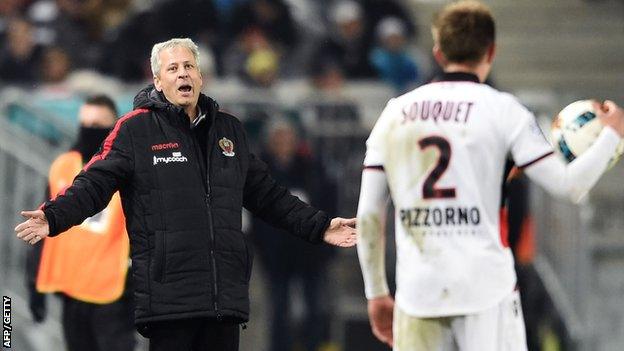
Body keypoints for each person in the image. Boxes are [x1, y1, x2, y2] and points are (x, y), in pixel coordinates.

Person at [14, 37, 356, 351]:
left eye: (189, 66)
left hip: (224, 300)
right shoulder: (135, 130)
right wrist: (54, 215)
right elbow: (94, 184)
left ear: (201, 77)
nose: (183, 74)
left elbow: (268, 196)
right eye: (173, 68)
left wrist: (320, 226)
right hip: (169, 301)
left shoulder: (229, 130)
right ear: (158, 81)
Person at [354, 1, 624, 350]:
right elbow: (570, 185)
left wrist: (376, 293)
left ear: (438, 52)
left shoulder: (394, 114)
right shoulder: (504, 111)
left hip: (420, 290)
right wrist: (612, 135)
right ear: (491, 51)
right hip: (486, 288)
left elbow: (368, 216)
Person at [25, 95, 135, 351]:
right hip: (72, 288)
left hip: (115, 291)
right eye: (84, 124)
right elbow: (41, 225)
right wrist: (34, 282)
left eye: (97, 125)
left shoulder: (129, 170)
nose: (89, 130)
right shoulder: (63, 166)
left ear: (113, 128)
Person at [251, 119, 337, 351]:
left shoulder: (312, 168)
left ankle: (313, 346)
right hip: (277, 253)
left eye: (287, 137)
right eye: (278, 138)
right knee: (279, 309)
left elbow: (328, 205)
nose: (283, 143)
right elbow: (256, 218)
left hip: (310, 252)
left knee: (316, 308)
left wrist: (327, 245)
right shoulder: (260, 172)